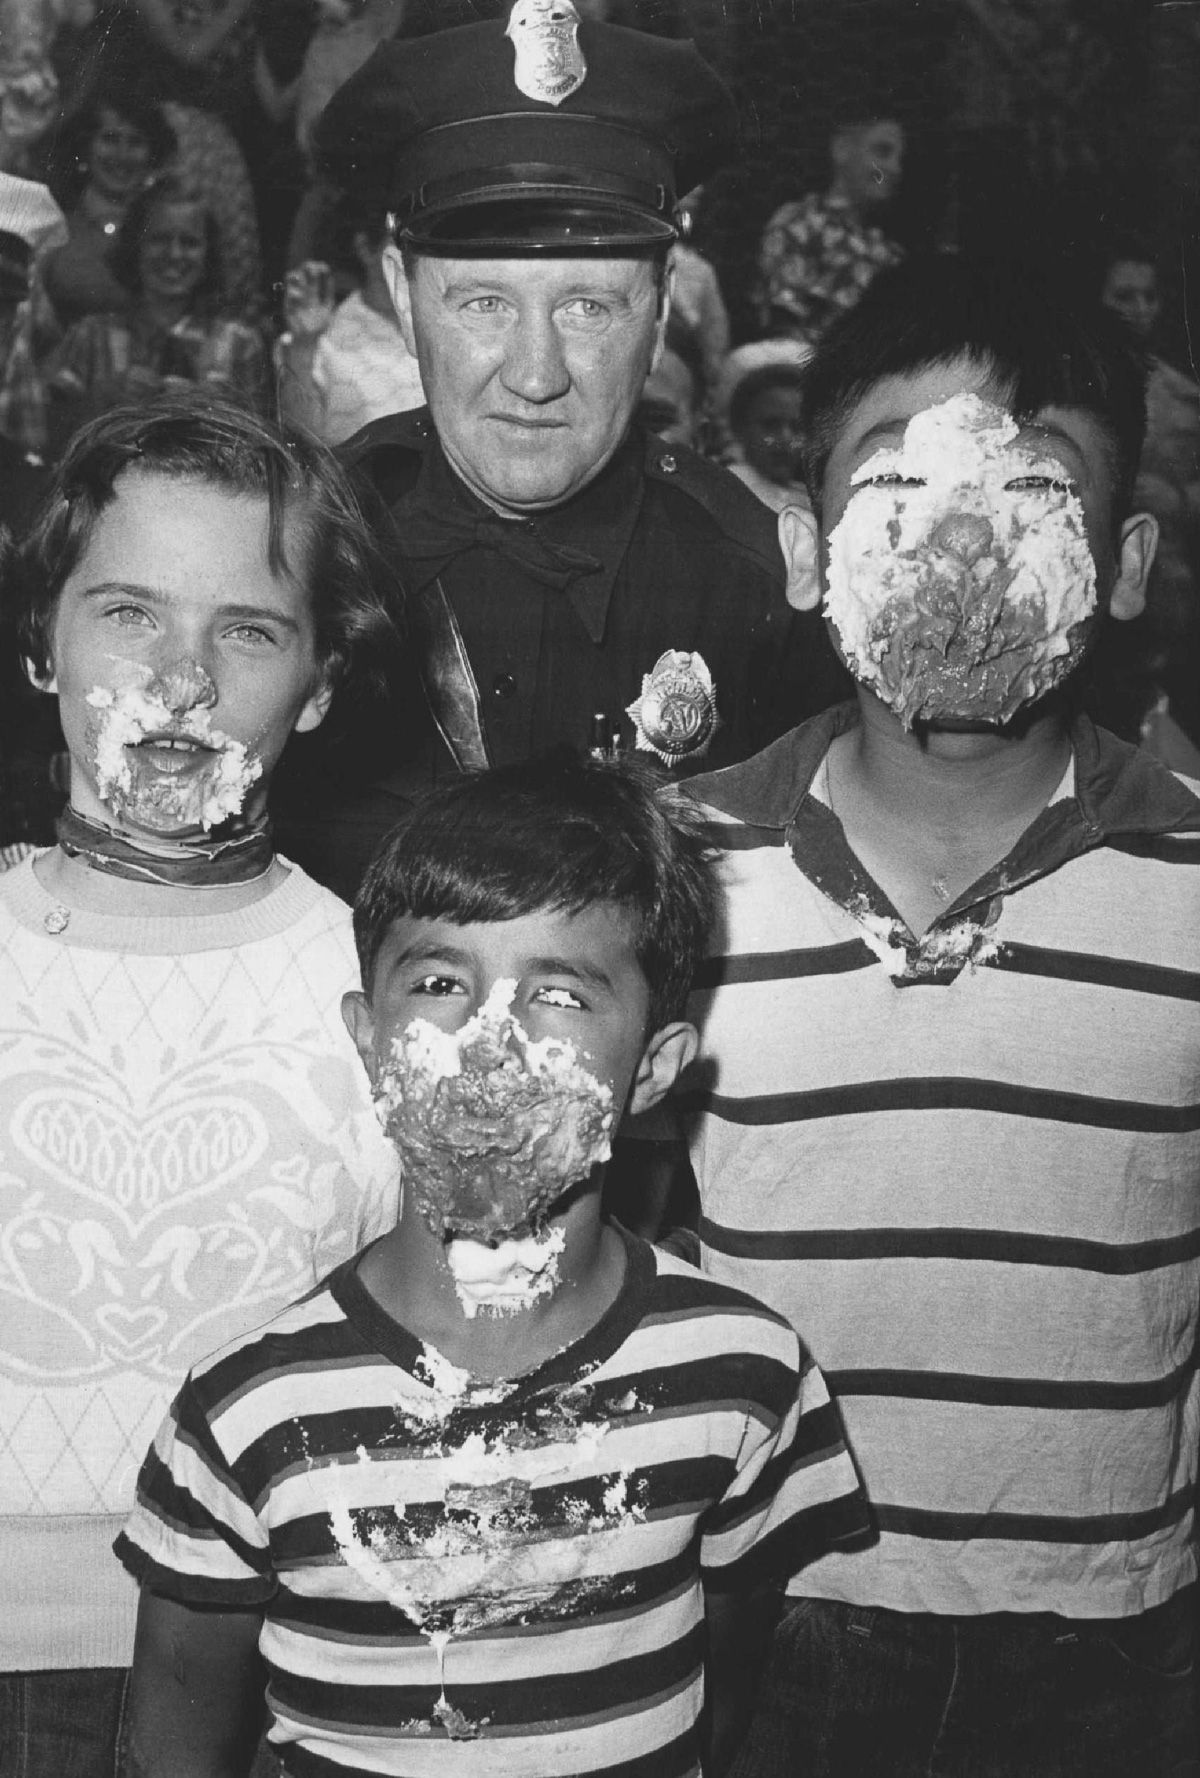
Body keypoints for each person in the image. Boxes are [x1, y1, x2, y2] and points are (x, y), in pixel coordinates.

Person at [665, 253, 1200, 1775]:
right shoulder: (676, 874)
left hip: (1120, 1638)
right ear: (803, 549)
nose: (960, 540)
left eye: (1034, 494)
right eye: (893, 487)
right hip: (775, 1616)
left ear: (1127, 560)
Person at [115, 752, 870, 1778]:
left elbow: (726, 1689)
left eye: (559, 992)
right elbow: (172, 1739)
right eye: (437, 981)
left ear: (652, 1067)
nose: (488, 1036)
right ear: (370, 1040)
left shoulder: (745, 1368)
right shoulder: (248, 1411)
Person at [0, 391, 400, 1776]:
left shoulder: (383, 990)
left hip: (274, 1677)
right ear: (41, 644)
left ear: (323, 681)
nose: (180, 680)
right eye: (128, 614)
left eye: (246, 630)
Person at [279, 2, 847, 895]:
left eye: (587, 306)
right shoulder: (303, 550)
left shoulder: (756, 588)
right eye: (484, 305)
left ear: (659, 314)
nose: (535, 375)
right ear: (400, 294)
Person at [45, 173, 267, 453]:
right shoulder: (91, 336)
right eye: (159, 239)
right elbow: (50, 439)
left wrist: (209, 407)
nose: (174, 254)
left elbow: (260, 448)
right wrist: (103, 398)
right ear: (135, 245)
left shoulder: (239, 344)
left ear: (208, 253)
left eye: (189, 242)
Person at [755, 113, 904, 348]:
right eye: (882, 152)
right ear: (842, 150)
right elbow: (782, 326)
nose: (895, 168)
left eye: (899, 158)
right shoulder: (802, 223)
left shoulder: (888, 251)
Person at [276, 218, 424, 446]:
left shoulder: (437, 321)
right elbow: (299, 439)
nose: (415, 254)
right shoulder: (321, 335)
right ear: (365, 249)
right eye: (402, 241)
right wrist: (304, 346)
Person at [42, 83, 176, 329]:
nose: (122, 155)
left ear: (152, 155)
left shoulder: (165, 232)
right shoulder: (52, 224)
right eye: (110, 139)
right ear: (85, 148)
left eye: (135, 142)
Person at [724, 359, 808, 515]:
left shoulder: (807, 499)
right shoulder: (726, 488)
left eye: (797, 428)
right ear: (740, 427)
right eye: (770, 425)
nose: (785, 438)